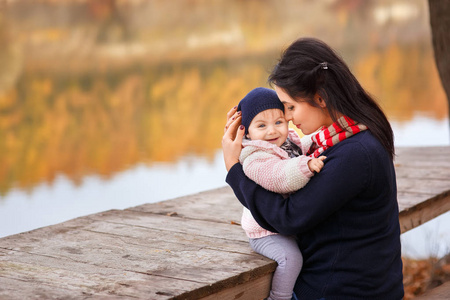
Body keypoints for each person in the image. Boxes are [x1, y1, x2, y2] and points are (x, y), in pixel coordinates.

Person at [222, 37, 404, 299]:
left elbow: (288, 218)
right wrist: (250, 142)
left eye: (290, 107)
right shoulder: (347, 136)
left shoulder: (355, 154)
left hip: (342, 291)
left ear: (320, 98)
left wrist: (234, 169)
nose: (288, 118)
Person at [236, 87, 326, 300]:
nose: (272, 131)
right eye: (261, 125)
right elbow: (278, 176)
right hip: (266, 231)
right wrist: (306, 165)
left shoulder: (285, 142)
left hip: (285, 223)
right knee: (291, 258)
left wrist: (320, 141)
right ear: (247, 132)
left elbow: (299, 148)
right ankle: (279, 297)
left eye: (279, 122)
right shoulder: (254, 156)